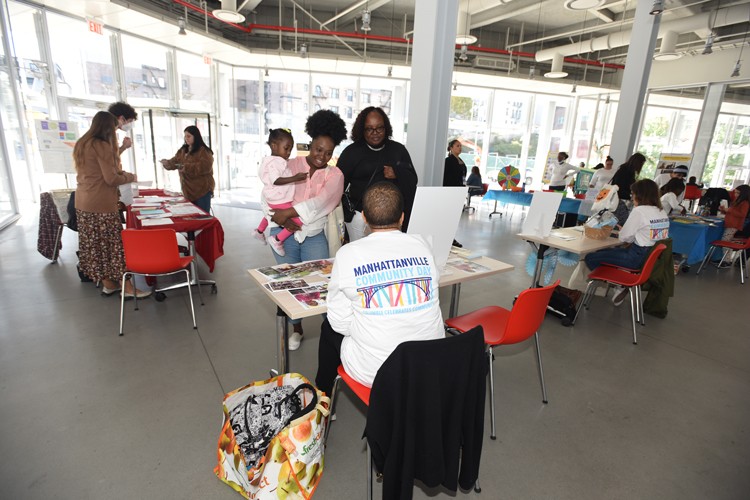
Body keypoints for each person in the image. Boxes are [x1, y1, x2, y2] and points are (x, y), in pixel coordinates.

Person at [315, 182, 445, 394]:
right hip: (428, 366)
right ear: (402, 217)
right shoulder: (422, 245)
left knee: (328, 328)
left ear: (364, 218)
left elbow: (339, 323)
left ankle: (323, 396)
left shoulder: (349, 253)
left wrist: (369, 324)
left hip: (376, 373)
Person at [268, 109, 348, 350]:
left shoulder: (335, 175)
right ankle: (297, 328)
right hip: (283, 235)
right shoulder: (290, 165)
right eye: (317, 149)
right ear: (310, 144)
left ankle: (334, 335)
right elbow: (269, 190)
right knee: (290, 284)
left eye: (328, 152)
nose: (321, 156)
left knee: (323, 287)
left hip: (313, 236)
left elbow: (321, 203)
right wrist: (279, 218)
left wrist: (288, 213)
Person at [74, 111, 151, 299]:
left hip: (84, 203)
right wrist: (130, 177)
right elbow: (110, 178)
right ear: (109, 127)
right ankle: (128, 287)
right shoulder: (102, 145)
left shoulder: (83, 143)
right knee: (115, 246)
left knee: (97, 247)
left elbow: (101, 166)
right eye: (115, 127)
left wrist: (121, 149)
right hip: (101, 204)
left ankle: (108, 283)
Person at [337, 106, 418, 241]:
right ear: (362, 130)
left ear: (385, 128)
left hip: (392, 219)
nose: (375, 132)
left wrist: (397, 173)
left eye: (379, 128)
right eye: (369, 129)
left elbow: (413, 180)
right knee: (361, 256)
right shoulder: (352, 152)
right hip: (360, 217)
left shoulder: (398, 150)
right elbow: (337, 185)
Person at [584, 179, 669, 306]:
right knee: (603, 252)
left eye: (633, 193)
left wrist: (625, 231)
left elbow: (624, 238)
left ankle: (619, 283)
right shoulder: (661, 212)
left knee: (590, 257)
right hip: (648, 258)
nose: (632, 196)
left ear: (639, 195)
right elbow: (651, 235)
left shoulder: (639, 211)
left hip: (634, 257)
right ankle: (619, 282)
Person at [253, 128, 308, 257]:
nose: (289, 152)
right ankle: (277, 239)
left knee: (271, 212)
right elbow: (276, 180)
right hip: (280, 198)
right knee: (299, 220)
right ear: (274, 146)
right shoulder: (275, 162)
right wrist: (296, 178)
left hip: (273, 198)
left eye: (290, 149)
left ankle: (259, 231)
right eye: (286, 148)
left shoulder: (270, 160)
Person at [160, 126, 215, 213]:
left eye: (189, 136)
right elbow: (175, 161)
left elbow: (205, 167)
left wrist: (185, 167)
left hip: (202, 190)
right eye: (185, 136)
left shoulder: (204, 151)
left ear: (196, 136)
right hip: (188, 191)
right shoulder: (183, 150)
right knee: (191, 216)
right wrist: (167, 163)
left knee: (202, 216)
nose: (186, 138)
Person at [609, 152, 647, 226]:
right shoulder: (627, 171)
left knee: (617, 221)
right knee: (621, 222)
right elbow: (622, 186)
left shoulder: (624, 169)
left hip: (619, 199)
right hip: (621, 200)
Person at [718, 184, 750, 267]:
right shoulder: (736, 201)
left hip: (734, 225)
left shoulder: (745, 203)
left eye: (738, 193)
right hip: (730, 223)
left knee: (725, 242)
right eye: (735, 192)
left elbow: (742, 214)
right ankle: (725, 259)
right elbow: (731, 212)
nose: (735, 195)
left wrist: (729, 210)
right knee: (725, 241)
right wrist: (724, 210)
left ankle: (727, 260)